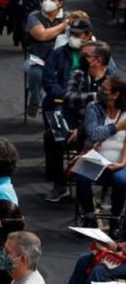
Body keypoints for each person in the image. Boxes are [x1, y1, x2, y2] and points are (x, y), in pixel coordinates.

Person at [42, 18, 99, 202]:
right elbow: (49, 81)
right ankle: (60, 184)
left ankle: (92, 188)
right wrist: (64, 97)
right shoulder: (59, 54)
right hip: (65, 105)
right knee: (54, 135)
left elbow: (104, 94)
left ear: (88, 36)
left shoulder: (102, 59)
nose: (73, 38)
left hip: (92, 115)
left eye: (78, 35)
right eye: (71, 34)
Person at [76, 75, 126, 232]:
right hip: (96, 157)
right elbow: (93, 134)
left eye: (104, 89)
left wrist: (122, 163)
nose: (99, 92)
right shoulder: (94, 107)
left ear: (115, 95)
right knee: (82, 177)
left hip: (120, 160)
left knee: (121, 181)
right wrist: (117, 127)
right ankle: (89, 215)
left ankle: (115, 218)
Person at [24, 0, 70, 117]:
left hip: (59, 60)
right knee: (35, 74)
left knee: (65, 77)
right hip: (38, 57)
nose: (47, 2)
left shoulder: (67, 16)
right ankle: (35, 98)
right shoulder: (34, 16)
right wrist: (63, 26)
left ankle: (56, 104)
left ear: (60, 3)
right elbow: (41, 35)